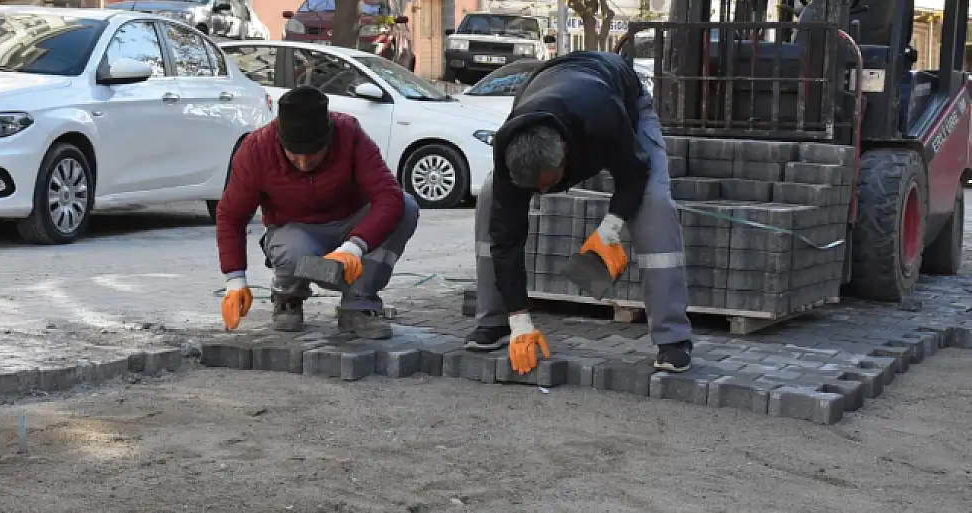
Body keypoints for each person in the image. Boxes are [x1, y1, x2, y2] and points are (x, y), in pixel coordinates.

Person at [466, 50, 694, 375]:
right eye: (536, 189)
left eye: (549, 184)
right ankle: (496, 322)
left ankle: (673, 339)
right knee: (490, 200)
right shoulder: (511, 149)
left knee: (654, 204)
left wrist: (611, 227)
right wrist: (520, 318)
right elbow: (506, 237)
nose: (543, 194)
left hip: (621, 99)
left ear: (566, 157)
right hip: (554, 85)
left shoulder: (602, 118)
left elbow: (633, 172)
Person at [215, 85, 420, 339]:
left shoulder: (349, 134)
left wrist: (355, 247)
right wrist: (234, 280)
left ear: (328, 137)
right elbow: (231, 216)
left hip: (350, 226)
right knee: (293, 252)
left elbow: (389, 195)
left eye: (312, 155)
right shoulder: (256, 150)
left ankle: (358, 304)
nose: (303, 164)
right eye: (294, 156)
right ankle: (288, 295)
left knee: (406, 206)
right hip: (296, 232)